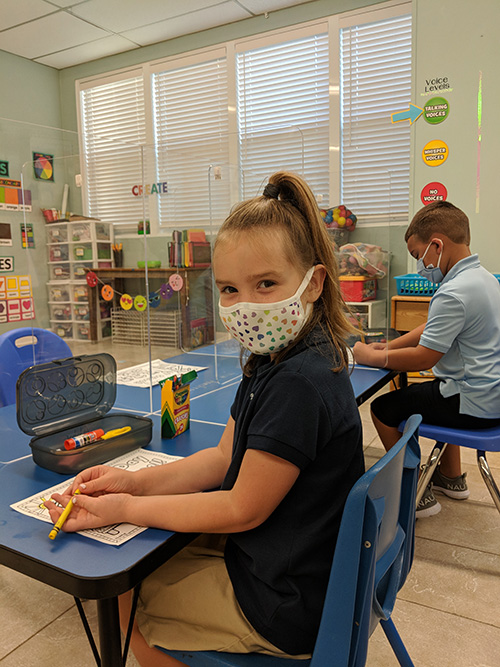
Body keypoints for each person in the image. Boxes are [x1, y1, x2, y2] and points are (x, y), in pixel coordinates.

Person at [46, 172, 363, 666]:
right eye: (230, 289)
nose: (246, 307)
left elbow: (241, 509)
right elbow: (221, 458)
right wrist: (131, 484)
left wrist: (125, 510)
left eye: (266, 284)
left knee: (125, 603)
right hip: (291, 567)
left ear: (314, 282)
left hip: (284, 603)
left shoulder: (300, 381)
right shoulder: (277, 356)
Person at [353, 200, 500, 517]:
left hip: (472, 404)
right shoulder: (485, 279)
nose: (420, 264)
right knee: (439, 390)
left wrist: (370, 355)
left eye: (419, 255)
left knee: (383, 408)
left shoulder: (452, 292)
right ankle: (451, 479)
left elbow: (423, 358)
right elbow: (431, 329)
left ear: (437, 244)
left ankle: (415, 491)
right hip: (492, 398)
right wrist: (389, 348)